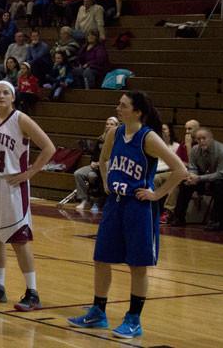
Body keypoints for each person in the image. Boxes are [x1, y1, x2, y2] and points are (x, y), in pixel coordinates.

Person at [67, 91, 187, 339]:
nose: (118, 109)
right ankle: (98, 312)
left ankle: (133, 319)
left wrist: (156, 194)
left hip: (138, 207)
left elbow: (180, 170)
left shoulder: (149, 138)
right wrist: (106, 180)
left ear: (137, 111)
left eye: (123, 105)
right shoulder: (115, 133)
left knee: (137, 264)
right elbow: (103, 160)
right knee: (101, 258)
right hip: (115, 204)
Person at [0, 80, 56, 311]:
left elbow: (49, 147)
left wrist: (29, 172)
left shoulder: (21, 119)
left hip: (12, 185)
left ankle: (32, 292)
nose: (0, 96)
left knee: (19, 240)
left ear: (13, 97)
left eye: (5, 93)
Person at [171, 127, 223, 230]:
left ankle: (215, 221)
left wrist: (199, 178)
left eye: (204, 138)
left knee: (220, 185)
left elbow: (221, 174)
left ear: (211, 138)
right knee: (185, 184)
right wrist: (192, 177)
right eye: (198, 139)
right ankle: (178, 217)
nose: (201, 141)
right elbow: (192, 167)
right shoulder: (195, 150)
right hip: (204, 178)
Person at [73, 117, 120, 211]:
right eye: (107, 124)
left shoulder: (118, 140)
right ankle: (84, 200)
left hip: (110, 167)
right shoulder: (100, 139)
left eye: (111, 124)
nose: (108, 126)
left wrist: (102, 163)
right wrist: (92, 163)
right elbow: (94, 155)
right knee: (78, 173)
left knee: (93, 176)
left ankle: (100, 201)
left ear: (117, 126)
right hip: (97, 166)